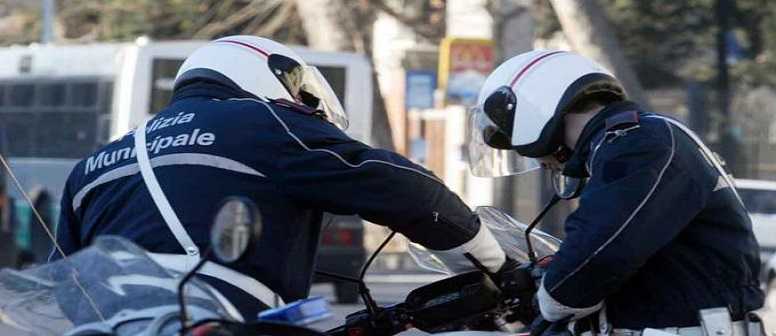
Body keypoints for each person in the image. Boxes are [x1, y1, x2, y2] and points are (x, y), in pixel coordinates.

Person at [52, 36, 514, 320]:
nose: (303, 105)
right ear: (261, 73)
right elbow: (404, 187)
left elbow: (69, 284)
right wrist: (493, 264)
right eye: (298, 91)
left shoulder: (97, 163)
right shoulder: (264, 121)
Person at [469, 50, 764, 332]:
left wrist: (547, 298)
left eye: (514, 137)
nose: (539, 162)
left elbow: (597, 251)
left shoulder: (641, 143)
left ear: (537, 108)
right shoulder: (629, 141)